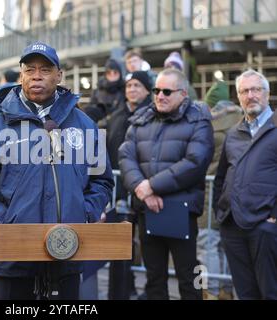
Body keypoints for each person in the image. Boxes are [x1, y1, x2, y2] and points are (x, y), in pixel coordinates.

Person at [0, 41, 114, 300]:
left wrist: (85, 212)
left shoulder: (85, 125)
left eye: (45, 69)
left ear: (59, 75)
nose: (37, 76)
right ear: (21, 75)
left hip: (67, 252)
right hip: (14, 257)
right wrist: (6, 219)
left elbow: (102, 181)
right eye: (30, 70)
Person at [118, 68, 214, 300]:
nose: (160, 95)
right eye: (156, 90)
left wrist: (151, 186)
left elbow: (195, 162)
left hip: (181, 213)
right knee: (154, 279)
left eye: (167, 91)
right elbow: (125, 156)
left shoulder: (198, 120)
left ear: (183, 94)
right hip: (146, 210)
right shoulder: (141, 120)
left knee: (188, 278)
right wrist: (142, 189)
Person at [213, 69, 277, 300]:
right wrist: (219, 211)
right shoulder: (233, 133)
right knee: (245, 292)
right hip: (232, 225)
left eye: (255, 90)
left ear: (267, 94)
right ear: (238, 97)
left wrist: (273, 218)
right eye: (244, 91)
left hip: (265, 226)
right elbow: (221, 177)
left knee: (270, 291)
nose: (250, 95)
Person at [106, 71, 152, 300]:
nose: (132, 89)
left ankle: (150, 292)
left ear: (147, 89)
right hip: (118, 191)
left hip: (146, 190)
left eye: (137, 85)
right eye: (129, 85)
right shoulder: (116, 116)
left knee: (149, 247)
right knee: (119, 248)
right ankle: (120, 293)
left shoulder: (154, 115)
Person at [198, 81, 242, 300]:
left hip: (209, 192)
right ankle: (226, 290)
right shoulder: (243, 122)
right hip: (233, 194)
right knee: (225, 245)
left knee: (207, 243)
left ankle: (210, 291)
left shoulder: (211, 127)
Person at [84, 58, 125, 125]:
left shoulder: (125, 89)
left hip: (119, 124)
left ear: (119, 73)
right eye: (109, 72)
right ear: (105, 74)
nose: (112, 75)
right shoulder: (98, 89)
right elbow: (92, 105)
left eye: (115, 72)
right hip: (99, 126)